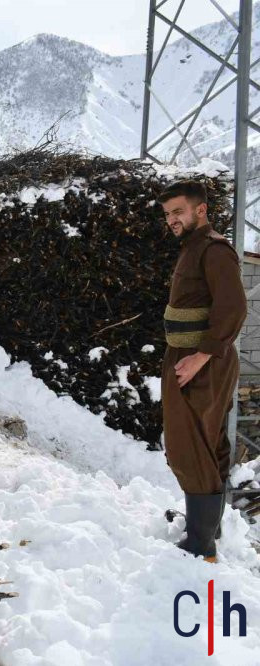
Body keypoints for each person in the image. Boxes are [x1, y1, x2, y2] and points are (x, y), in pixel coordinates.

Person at [159, 179, 246, 563]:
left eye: (178, 211)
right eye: (167, 214)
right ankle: (210, 530)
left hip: (201, 361)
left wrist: (201, 356)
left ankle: (200, 544)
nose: (172, 220)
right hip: (190, 357)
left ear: (201, 210)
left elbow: (233, 307)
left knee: (186, 445)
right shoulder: (192, 248)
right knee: (207, 443)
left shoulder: (214, 250)